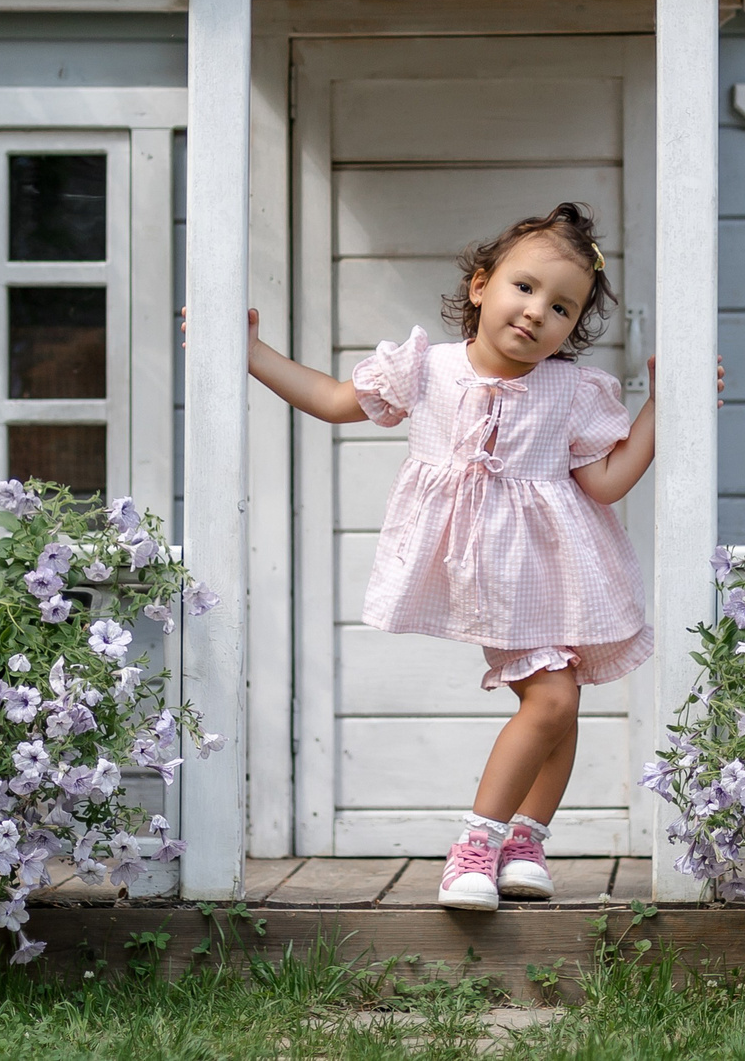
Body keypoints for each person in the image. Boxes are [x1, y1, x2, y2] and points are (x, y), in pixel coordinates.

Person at [234, 202, 714, 910]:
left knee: (562, 703)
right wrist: (250, 354)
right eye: (524, 288)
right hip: (484, 566)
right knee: (551, 697)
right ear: (482, 285)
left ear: (570, 329)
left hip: (555, 570)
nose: (536, 312)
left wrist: (667, 404)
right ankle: (476, 846)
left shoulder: (569, 390)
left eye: (561, 308)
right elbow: (335, 398)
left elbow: (609, 479)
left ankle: (523, 841)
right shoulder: (427, 369)